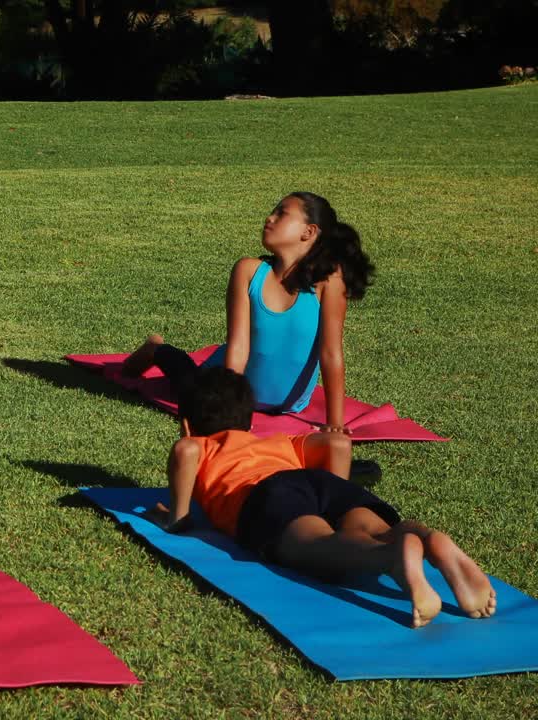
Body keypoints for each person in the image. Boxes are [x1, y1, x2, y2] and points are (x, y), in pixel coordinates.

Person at [149, 366, 496, 629]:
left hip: (263, 495)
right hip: (317, 482)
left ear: (187, 425)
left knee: (318, 544)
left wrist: (176, 518)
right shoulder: (275, 442)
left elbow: (186, 451)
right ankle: (421, 537)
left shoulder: (201, 444)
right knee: (368, 526)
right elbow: (338, 443)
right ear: (249, 422)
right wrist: (336, 496)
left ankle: (389, 557)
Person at [123, 192, 374, 433]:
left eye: (282, 214)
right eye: (273, 211)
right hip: (231, 383)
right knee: (190, 384)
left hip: (291, 405)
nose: (270, 218)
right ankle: (156, 349)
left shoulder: (329, 281)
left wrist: (335, 422)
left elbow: (331, 352)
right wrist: (231, 410)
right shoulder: (249, 271)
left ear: (308, 232)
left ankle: (158, 350)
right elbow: (238, 348)